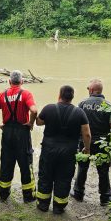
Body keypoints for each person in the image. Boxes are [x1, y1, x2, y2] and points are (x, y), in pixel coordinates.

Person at [36, 86, 91, 214]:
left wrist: (35, 115)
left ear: (59, 94)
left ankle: (43, 204)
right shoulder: (79, 112)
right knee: (64, 178)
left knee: (45, 175)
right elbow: (87, 134)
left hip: (49, 150)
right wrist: (87, 148)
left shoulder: (49, 108)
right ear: (72, 97)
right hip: (68, 152)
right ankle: (59, 207)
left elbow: (38, 122)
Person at [0, 70, 37, 203]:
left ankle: (3, 194)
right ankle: (28, 196)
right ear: (22, 81)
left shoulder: (1, 95)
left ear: (9, 81)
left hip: (7, 132)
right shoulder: (26, 94)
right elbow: (34, 110)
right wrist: (31, 123)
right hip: (22, 132)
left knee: (6, 162)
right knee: (25, 163)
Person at [71, 79, 111, 206]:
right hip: (102, 142)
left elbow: (76, 124)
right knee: (103, 170)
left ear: (91, 90)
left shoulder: (81, 104)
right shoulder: (108, 105)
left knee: (82, 167)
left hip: (84, 141)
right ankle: (105, 198)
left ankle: (78, 193)